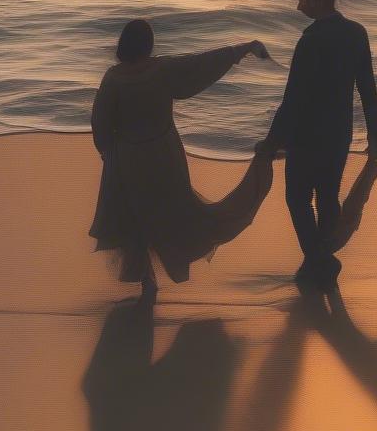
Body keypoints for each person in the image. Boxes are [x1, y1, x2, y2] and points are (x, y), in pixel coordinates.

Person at [89, 19, 272, 299]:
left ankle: (147, 279)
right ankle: (174, 260)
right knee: (176, 212)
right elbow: (200, 67)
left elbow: (100, 124)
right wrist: (240, 50)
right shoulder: (161, 70)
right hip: (164, 155)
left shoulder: (113, 78)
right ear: (148, 45)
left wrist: (107, 154)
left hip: (128, 159)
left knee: (135, 217)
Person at [256, 0, 377, 286]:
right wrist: (376, 136)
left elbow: (294, 100)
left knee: (297, 199)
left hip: (307, 137)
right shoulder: (356, 33)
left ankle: (319, 260)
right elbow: (367, 88)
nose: (298, 5)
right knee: (327, 197)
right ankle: (318, 261)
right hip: (339, 134)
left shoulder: (310, 40)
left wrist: (272, 142)